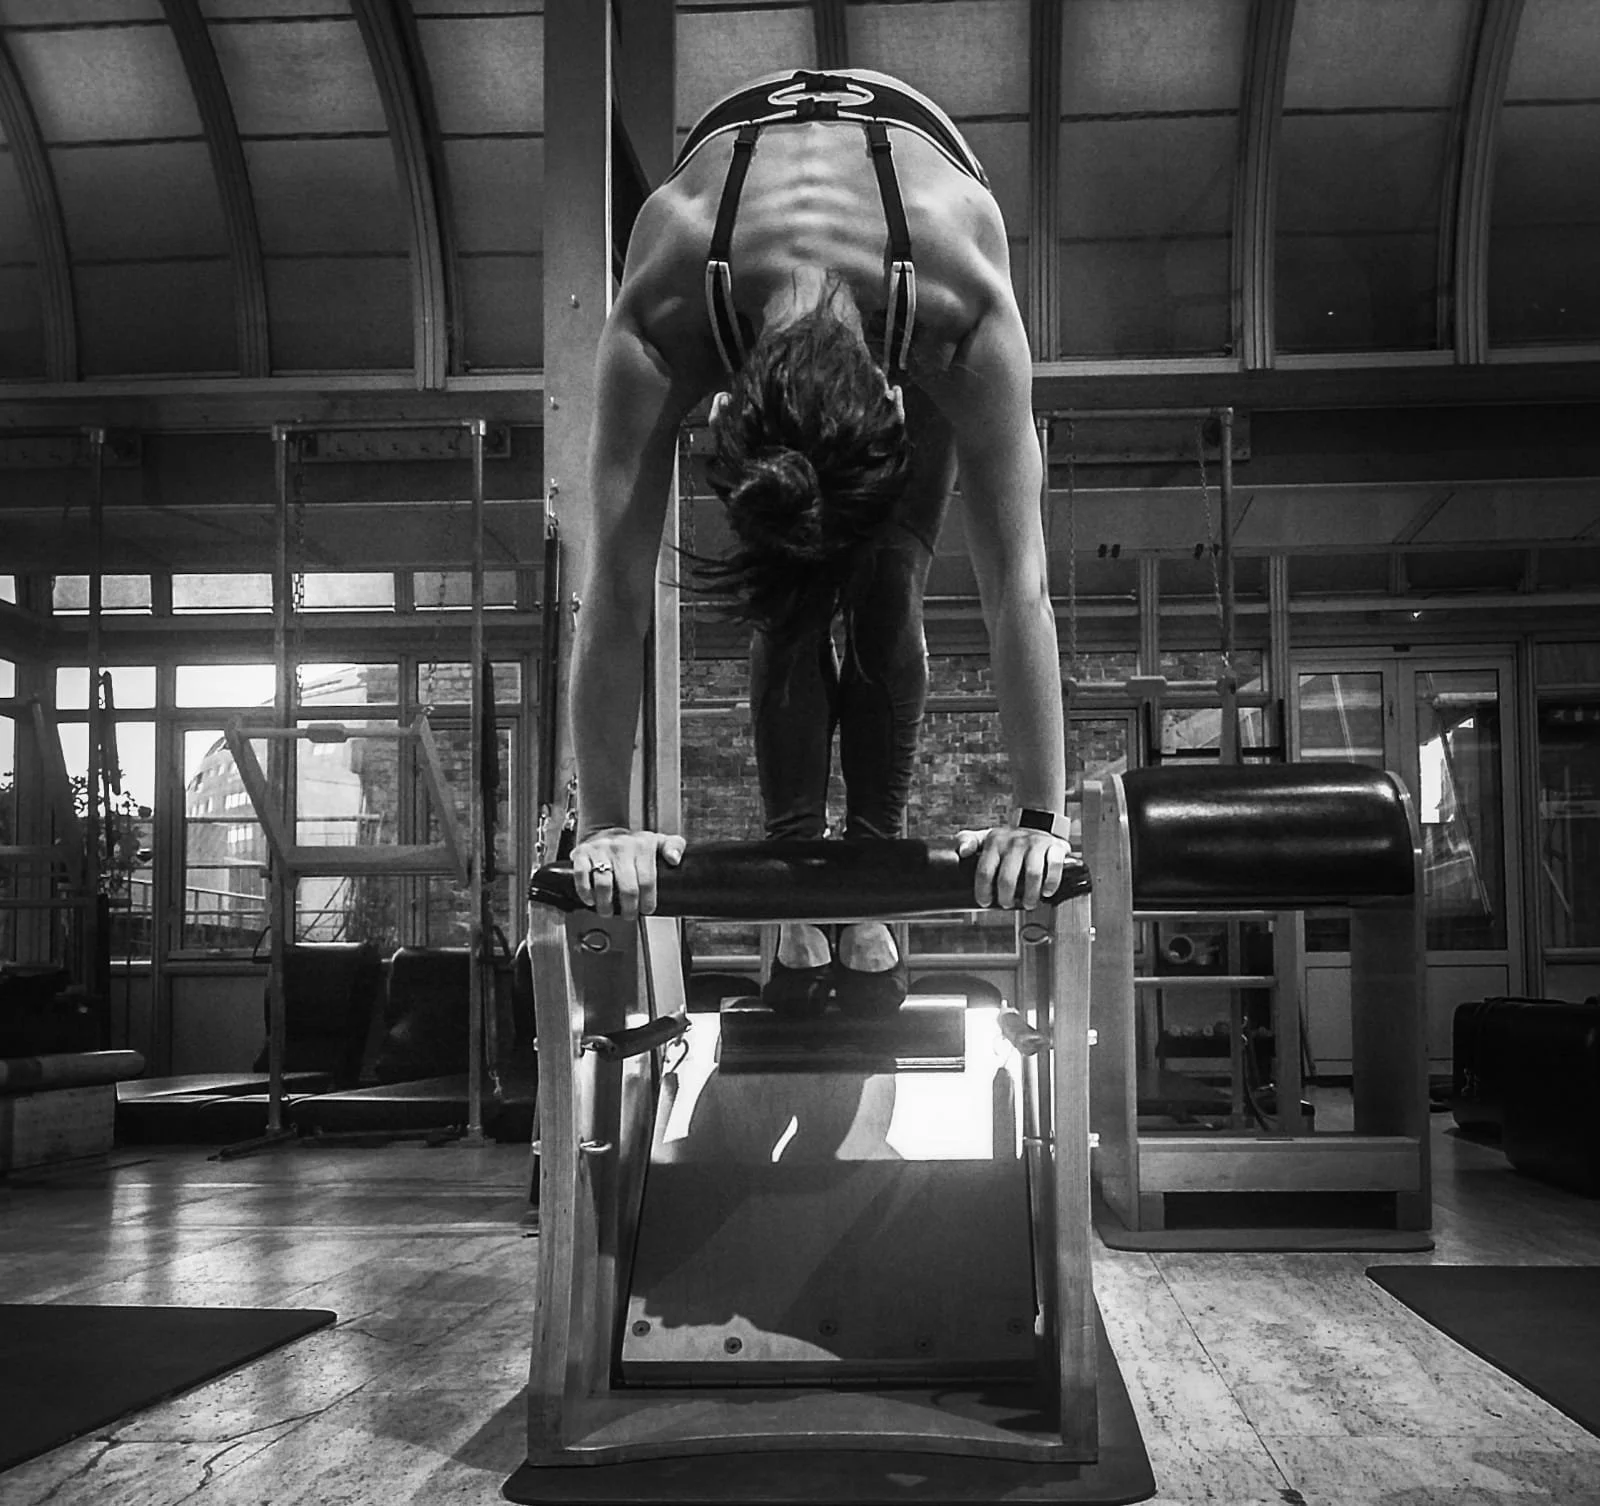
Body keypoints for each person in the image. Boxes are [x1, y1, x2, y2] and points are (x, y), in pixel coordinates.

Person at [568, 67, 1071, 1014]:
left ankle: (870, 879)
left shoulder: (961, 307)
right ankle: (797, 871)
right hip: (766, 226)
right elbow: (615, 595)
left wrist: (1042, 816)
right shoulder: (661, 313)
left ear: (898, 408)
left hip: (911, 245)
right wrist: (602, 827)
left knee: (887, 583)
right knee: (790, 605)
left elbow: (1019, 589)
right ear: (723, 414)